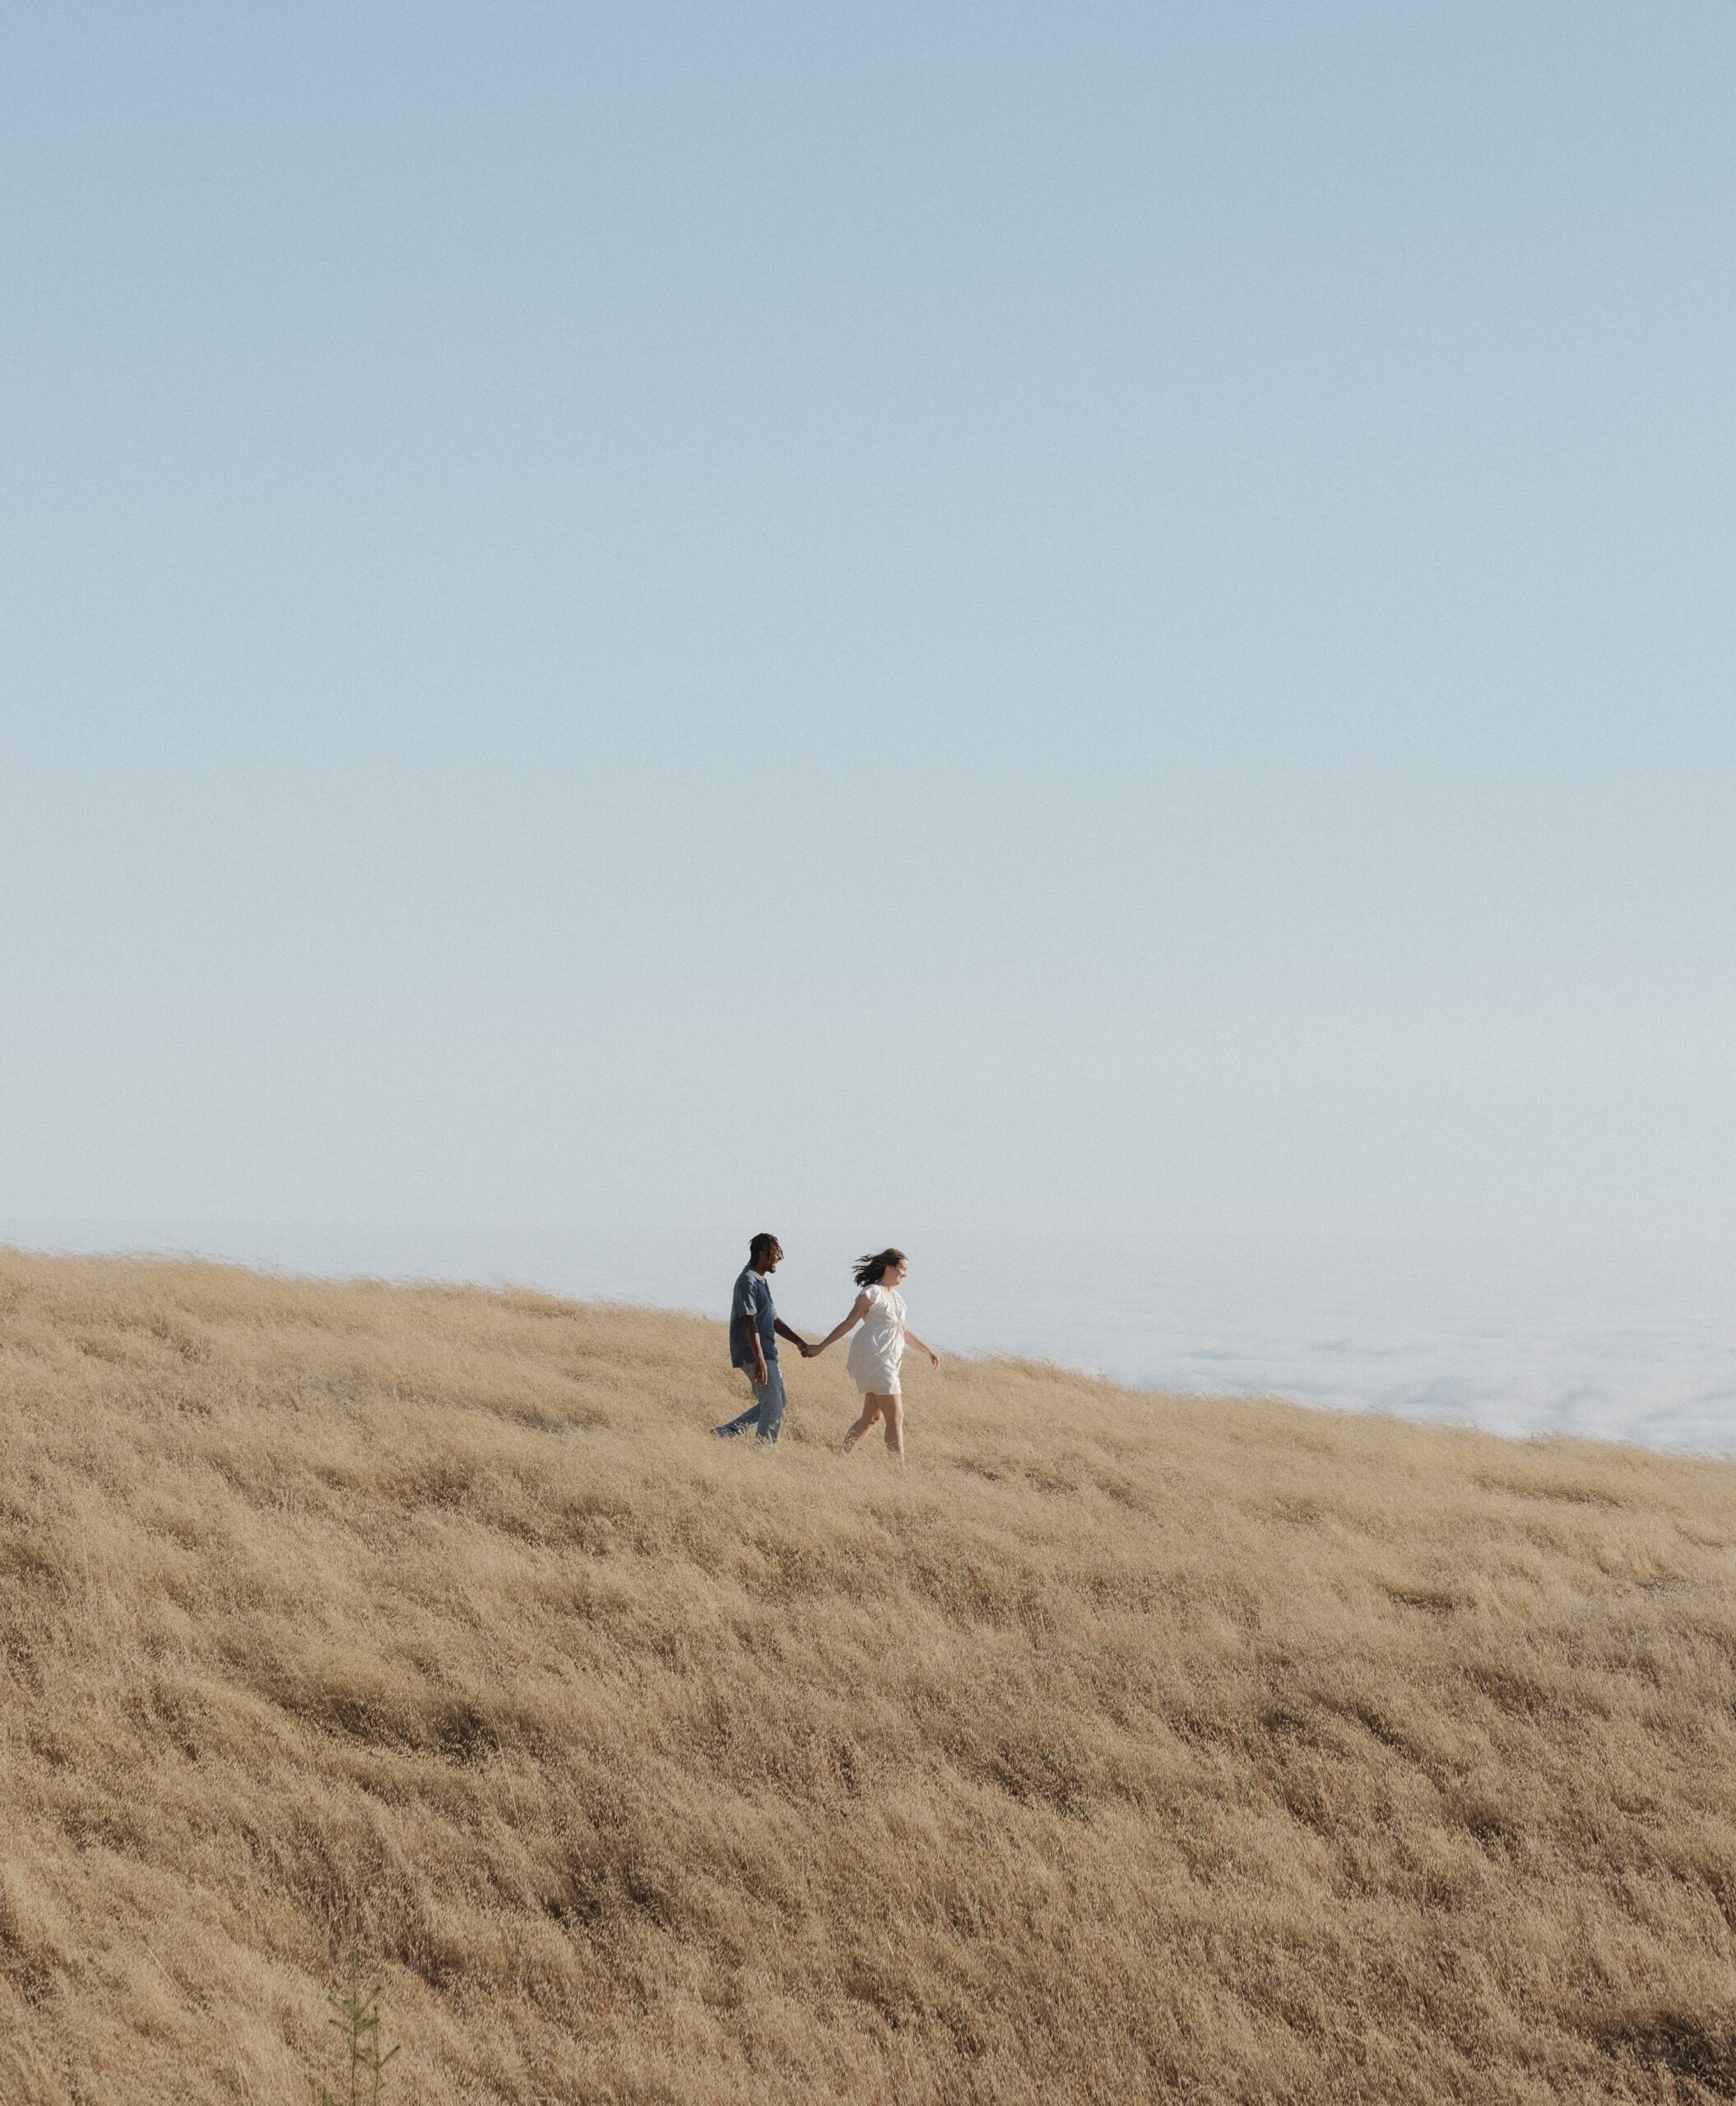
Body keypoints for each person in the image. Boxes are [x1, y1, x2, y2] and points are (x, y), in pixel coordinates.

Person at [810, 1247, 938, 1460]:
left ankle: (839, 1460)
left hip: (891, 1360)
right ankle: (899, 1471)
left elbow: (904, 1331)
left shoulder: (897, 1298)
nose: (905, 1274)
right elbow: (849, 1322)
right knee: (896, 1416)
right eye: (902, 1269)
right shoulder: (871, 1293)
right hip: (876, 1358)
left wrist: (928, 1351)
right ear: (889, 1267)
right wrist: (821, 1346)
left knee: (871, 1417)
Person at [715, 1232, 814, 1443]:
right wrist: (759, 1359)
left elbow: (774, 1319)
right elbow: (749, 1323)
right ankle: (761, 1452)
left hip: (766, 1353)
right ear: (762, 1254)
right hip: (755, 1354)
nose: (780, 1257)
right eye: (776, 1253)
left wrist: (799, 1342)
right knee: (773, 1407)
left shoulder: (760, 1281)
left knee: (779, 1402)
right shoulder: (747, 1281)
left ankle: (728, 1432)